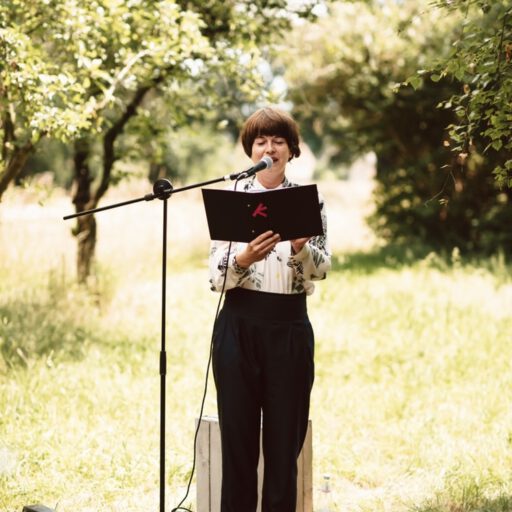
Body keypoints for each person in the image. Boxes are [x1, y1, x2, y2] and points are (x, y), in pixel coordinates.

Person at [208, 106, 331, 512]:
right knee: (237, 446)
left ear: (292, 150)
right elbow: (215, 278)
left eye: (278, 140)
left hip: (289, 329)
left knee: (283, 450)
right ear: (250, 149)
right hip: (238, 328)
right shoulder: (232, 201)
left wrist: (300, 248)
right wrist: (242, 259)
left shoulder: (310, 200)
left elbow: (323, 268)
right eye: (261, 140)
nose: (269, 147)